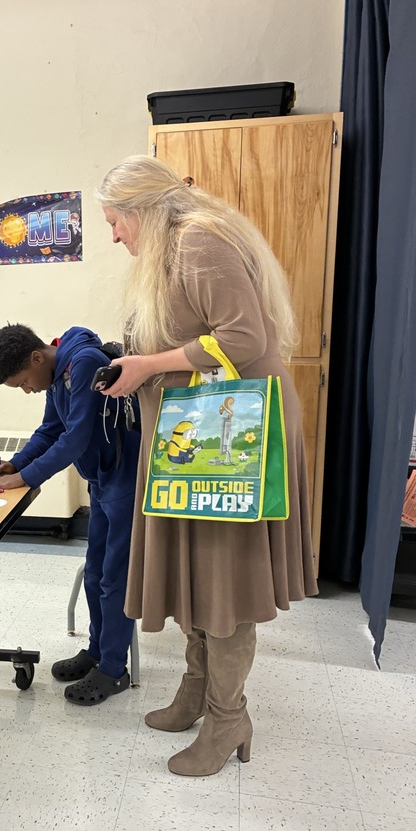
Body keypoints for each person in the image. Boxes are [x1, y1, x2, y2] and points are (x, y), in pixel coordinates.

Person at [95, 155, 318, 775]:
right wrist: (133, 360)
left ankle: (229, 718)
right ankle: (196, 693)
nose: (113, 236)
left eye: (115, 221)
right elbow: (190, 333)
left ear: (142, 210)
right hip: (194, 433)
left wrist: (149, 366)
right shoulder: (177, 246)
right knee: (197, 569)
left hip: (231, 436)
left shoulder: (196, 241)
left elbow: (246, 339)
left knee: (223, 580)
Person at [0, 323, 141, 705]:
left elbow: (77, 437)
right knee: (95, 572)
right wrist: (16, 463)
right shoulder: (57, 375)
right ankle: (97, 649)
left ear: (37, 357)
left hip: (123, 479)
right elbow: (51, 429)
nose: (27, 389)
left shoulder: (82, 363)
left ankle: (114, 669)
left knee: (115, 578)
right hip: (101, 480)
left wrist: (26, 477)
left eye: (23, 382)